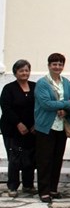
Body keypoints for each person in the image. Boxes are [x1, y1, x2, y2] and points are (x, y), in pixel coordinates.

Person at [34, 53, 70, 203]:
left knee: (57, 159)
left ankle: (53, 188)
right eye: (54, 64)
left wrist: (65, 110)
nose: (57, 67)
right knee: (44, 160)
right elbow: (46, 104)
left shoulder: (66, 83)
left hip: (61, 126)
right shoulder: (42, 83)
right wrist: (65, 105)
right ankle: (44, 191)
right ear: (49, 65)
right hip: (46, 127)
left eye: (60, 64)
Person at [1, 60, 36, 197]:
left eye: (26, 70)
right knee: (14, 157)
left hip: (31, 129)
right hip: (12, 129)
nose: (24, 73)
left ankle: (28, 184)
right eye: (21, 71)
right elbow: (6, 108)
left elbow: (39, 106)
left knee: (30, 157)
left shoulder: (35, 86)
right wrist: (18, 123)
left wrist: (36, 124)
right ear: (15, 73)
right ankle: (13, 186)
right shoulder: (9, 88)